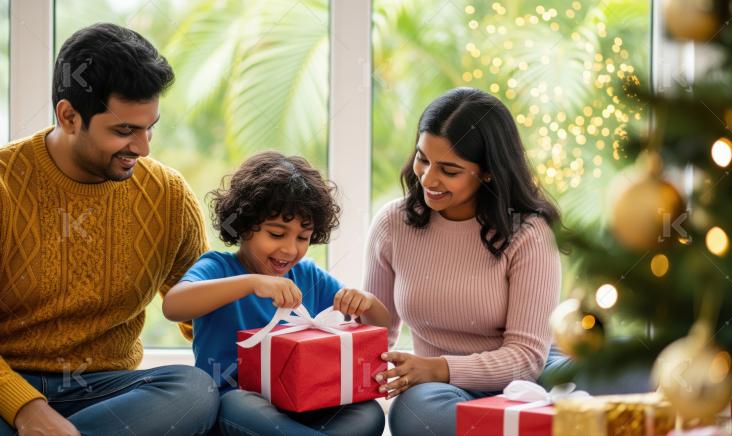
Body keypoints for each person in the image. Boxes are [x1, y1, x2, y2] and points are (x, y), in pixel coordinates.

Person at [0, 23, 219, 435]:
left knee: (194, 390)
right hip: (8, 385)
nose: (143, 147)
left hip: (104, 389)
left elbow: (203, 314)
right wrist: (27, 409)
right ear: (69, 117)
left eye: (149, 126)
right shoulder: (5, 186)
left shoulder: (167, 195)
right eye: (124, 131)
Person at [365, 87, 562, 436]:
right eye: (422, 158)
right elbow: (376, 336)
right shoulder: (393, 223)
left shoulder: (528, 233)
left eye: (449, 170)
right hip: (446, 393)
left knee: (617, 378)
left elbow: (527, 358)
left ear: (487, 172)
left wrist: (439, 367)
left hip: (529, 375)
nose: (428, 178)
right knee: (415, 414)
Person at [163, 151, 390, 436]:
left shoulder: (307, 275)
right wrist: (251, 282)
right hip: (236, 408)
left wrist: (366, 302)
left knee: (367, 412)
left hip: (302, 406)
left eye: (303, 238)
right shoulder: (218, 267)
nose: (290, 250)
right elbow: (174, 306)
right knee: (238, 404)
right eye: (276, 234)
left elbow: (382, 327)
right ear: (244, 227)